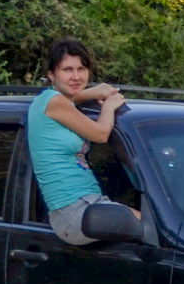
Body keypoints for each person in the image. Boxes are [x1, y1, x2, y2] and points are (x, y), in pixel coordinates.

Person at [28, 37, 137, 245]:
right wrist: (109, 106)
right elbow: (100, 134)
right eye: (67, 70)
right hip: (74, 211)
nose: (76, 76)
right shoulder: (54, 102)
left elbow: (68, 98)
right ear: (51, 74)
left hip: (86, 205)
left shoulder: (49, 100)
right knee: (153, 229)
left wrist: (93, 92)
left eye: (82, 69)